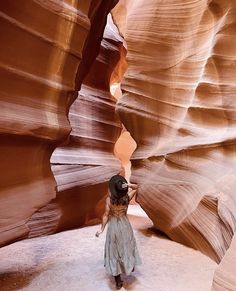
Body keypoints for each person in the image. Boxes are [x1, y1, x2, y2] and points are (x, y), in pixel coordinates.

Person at [95, 175, 142, 289]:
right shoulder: (127, 198)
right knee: (127, 246)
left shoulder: (109, 201)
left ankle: (118, 280)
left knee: (114, 250)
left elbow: (106, 215)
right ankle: (128, 265)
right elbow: (137, 187)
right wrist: (128, 185)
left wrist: (101, 229)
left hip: (114, 227)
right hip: (125, 226)